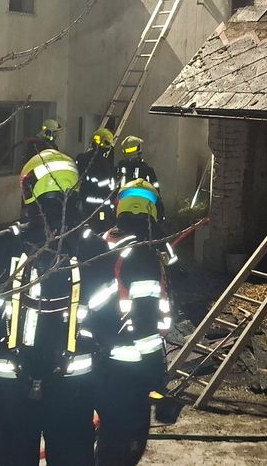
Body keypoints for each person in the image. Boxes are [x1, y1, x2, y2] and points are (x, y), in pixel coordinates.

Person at [0, 149, 116, 465]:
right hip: (74, 388)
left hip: (11, 387)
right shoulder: (94, 247)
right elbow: (108, 325)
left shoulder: (4, 245)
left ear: (31, 191)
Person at [95, 179, 174, 465]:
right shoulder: (141, 256)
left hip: (96, 358)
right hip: (129, 365)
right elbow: (144, 324)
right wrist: (158, 380)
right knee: (126, 442)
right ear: (153, 212)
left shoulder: (102, 243)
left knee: (107, 435)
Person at [76, 128, 117, 229]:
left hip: (82, 204)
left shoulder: (81, 158)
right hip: (100, 207)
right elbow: (106, 188)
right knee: (100, 231)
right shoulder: (103, 164)